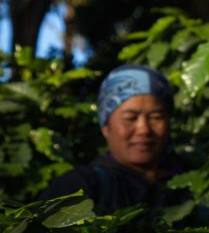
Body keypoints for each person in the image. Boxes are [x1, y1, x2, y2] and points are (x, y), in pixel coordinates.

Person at [41, 64, 187, 213]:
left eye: (155, 117)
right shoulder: (80, 187)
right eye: (130, 118)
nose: (144, 129)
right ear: (106, 127)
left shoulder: (188, 184)